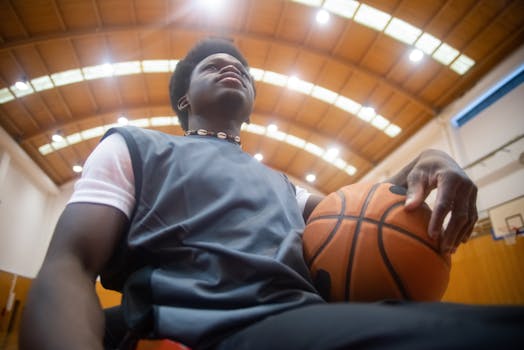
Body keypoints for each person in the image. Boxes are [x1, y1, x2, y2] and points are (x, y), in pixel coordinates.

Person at [20, 38, 523, 350]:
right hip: (217, 325)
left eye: (239, 66)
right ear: (184, 99)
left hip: (308, 317)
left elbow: (365, 210)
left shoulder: (285, 185)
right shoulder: (135, 146)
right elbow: (69, 266)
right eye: (211, 65)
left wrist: (434, 162)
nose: (230, 67)